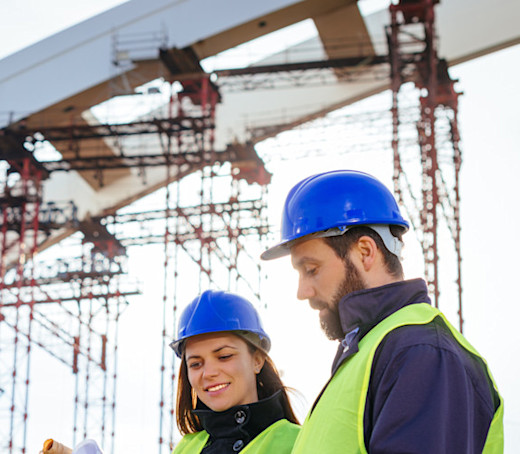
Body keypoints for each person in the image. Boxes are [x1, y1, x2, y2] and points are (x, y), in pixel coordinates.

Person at [260, 169, 503, 453]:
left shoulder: (421, 352)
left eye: (311, 269)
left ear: (365, 252)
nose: (303, 292)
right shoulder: (373, 352)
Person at [170, 290, 300, 454]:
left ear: (257, 360)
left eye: (224, 356)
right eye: (195, 364)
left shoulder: (297, 443)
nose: (208, 373)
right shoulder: (185, 448)